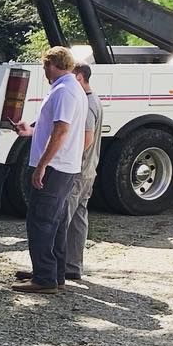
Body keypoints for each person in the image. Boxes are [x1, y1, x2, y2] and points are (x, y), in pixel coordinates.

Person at [12, 45, 86, 294]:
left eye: (45, 65)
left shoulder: (64, 91)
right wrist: (30, 131)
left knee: (41, 221)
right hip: (65, 166)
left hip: (56, 166)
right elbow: (53, 128)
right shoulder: (70, 88)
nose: (44, 70)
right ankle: (54, 272)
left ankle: (44, 278)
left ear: (52, 64)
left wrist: (41, 165)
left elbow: (62, 130)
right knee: (55, 220)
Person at [64, 63, 104, 282]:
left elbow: (87, 139)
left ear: (79, 77)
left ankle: (54, 268)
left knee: (63, 218)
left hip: (78, 170)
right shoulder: (95, 100)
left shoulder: (87, 104)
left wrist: (64, 153)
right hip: (89, 170)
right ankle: (73, 266)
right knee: (79, 218)